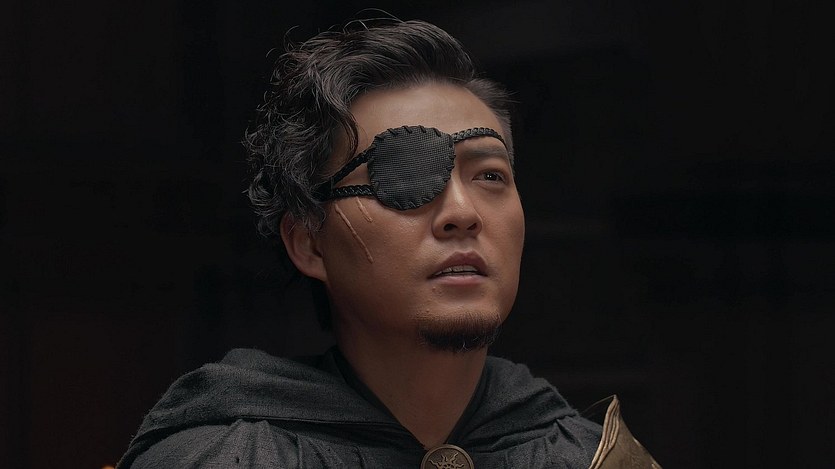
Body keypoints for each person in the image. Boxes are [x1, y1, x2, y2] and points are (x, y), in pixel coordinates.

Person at [117, 18, 660, 468]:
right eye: (401, 176)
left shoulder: (595, 460)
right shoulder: (227, 458)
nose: (462, 213)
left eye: (490, 176)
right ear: (309, 243)